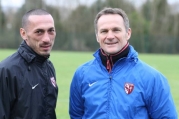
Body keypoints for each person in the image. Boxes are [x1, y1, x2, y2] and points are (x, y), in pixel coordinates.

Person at [69, 7, 178, 119]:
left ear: (128, 33)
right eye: (104, 31)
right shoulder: (82, 74)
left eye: (116, 30)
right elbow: (76, 115)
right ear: (97, 36)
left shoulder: (153, 78)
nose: (110, 36)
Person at [0, 9, 58, 119]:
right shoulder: (6, 71)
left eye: (51, 31)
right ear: (23, 33)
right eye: (39, 32)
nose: (46, 39)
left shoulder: (49, 67)